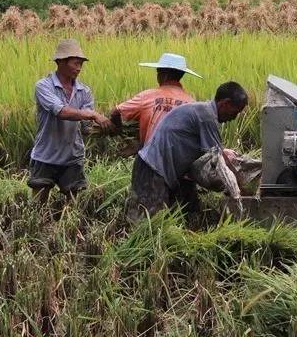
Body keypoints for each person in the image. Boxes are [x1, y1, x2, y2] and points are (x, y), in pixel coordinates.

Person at [127, 81, 248, 219]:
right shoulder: (206, 116)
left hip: (159, 171)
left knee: (165, 220)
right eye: (235, 112)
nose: (234, 118)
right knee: (149, 223)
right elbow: (218, 159)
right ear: (225, 103)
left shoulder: (203, 111)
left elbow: (208, 155)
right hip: (152, 170)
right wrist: (240, 187)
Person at [28, 39, 112, 205]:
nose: (79, 68)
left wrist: (110, 127)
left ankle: (69, 230)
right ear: (60, 62)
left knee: (73, 205)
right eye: (75, 63)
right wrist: (93, 115)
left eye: (81, 64)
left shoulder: (84, 91)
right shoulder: (44, 87)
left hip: (72, 157)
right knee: (37, 205)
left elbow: (87, 128)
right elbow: (61, 111)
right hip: (46, 155)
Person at [110, 52, 200, 146]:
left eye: (158, 72)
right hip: (180, 158)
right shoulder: (192, 104)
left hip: (150, 157)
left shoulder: (147, 96)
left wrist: (119, 131)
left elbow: (116, 112)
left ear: (162, 75)